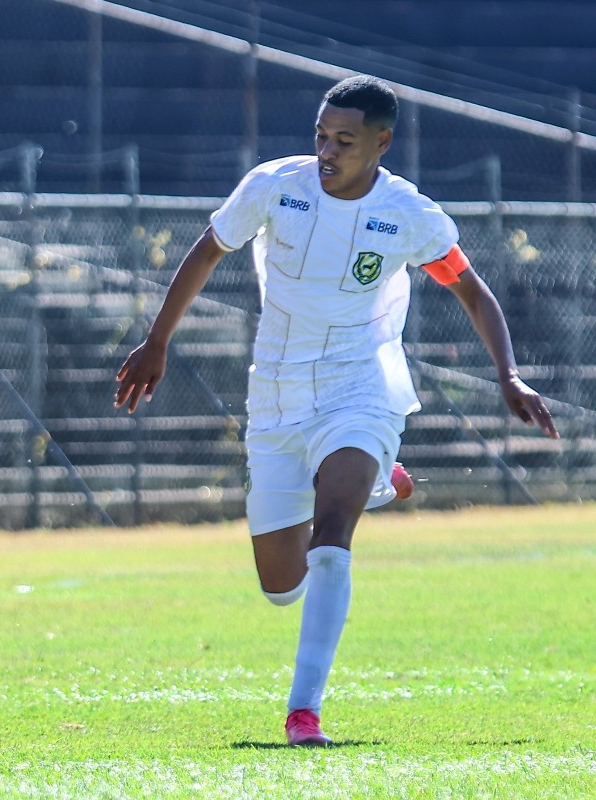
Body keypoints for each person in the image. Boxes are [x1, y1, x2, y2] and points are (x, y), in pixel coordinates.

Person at [114, 75, 559, 746]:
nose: (327, 151)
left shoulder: (407, 213)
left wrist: (508, 374)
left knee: (331, 536)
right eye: (321, 136)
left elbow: (471, 290)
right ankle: (382, 482)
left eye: (345, 141)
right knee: (280, 586)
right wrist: (156, 341)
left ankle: (303, 710)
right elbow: (208, 251)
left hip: (362, 384)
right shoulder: (274, 185)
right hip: (277, 392)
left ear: (381, 143)